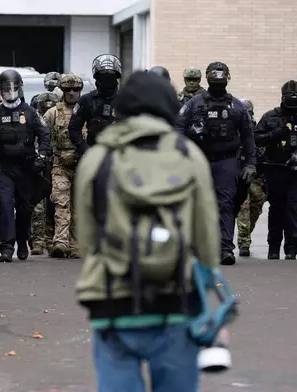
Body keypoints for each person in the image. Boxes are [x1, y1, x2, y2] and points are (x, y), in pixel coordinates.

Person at [74, 70, 220, 392]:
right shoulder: (188, 156)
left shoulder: (97, 159)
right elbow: (208, 238)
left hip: (113, 300)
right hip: (176, 301)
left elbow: (86, 239)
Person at [176, 61, 257, 265]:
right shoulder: (194, 104)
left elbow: (249, 138)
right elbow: (178, 127)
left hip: (226, 162)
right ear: (208, 79)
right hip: (199, 160)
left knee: (225, 204)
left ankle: (225, 249)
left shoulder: (237, 107)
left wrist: (251, 164)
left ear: (227, 79)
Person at [0, 69, 52, 262]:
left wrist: (41, 156)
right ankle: (7, 246)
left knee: (25, 208)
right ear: (0, 90)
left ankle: (22, 240)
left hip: (26, 169)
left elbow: (44, 135)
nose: (10, 91)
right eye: (6, 88)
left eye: (14, 87)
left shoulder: (30, 113)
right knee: (6, 205)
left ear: (20, 88)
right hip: (3, 169)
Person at [256, 80, 297, 260]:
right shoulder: (270, 117)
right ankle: (274, 247)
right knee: (277, 209)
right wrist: (274, 135)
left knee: (296, 206)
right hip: (276, 169)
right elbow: (256, 138)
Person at [45, 73, 84, 258]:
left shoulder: (86, 111)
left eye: (75, 90)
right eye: (67, 90)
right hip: (60, 165)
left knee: (79, 207)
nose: (71, 93)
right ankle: (60, 242)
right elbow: (43, 135)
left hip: (82, 166)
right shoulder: (53, 112)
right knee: (62, 204)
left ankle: (76, 245)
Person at [68, 54, 122, 161]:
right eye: (102, 75)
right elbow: (73, 129)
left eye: (110, 75)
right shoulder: (87, 100)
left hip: (119, 157)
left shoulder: (126, 99)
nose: (107, 78)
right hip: (93, 156)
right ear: (96, 77)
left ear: (116, 76)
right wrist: (86, 150)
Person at [234, 99, 266, 257]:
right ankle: (244, 242)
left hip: (256, 176)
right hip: (240, 173)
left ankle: (246, 234)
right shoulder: (235, 130)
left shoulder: (256, 130)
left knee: (257, 204)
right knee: (244, 207)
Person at [30, 91, 60, 255]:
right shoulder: (34, 121)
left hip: (56, 166)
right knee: (38, 208)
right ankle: (38, 241)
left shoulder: (61, 119)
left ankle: (52, 240)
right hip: (39, 167)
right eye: (43, 107)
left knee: (54, 205)